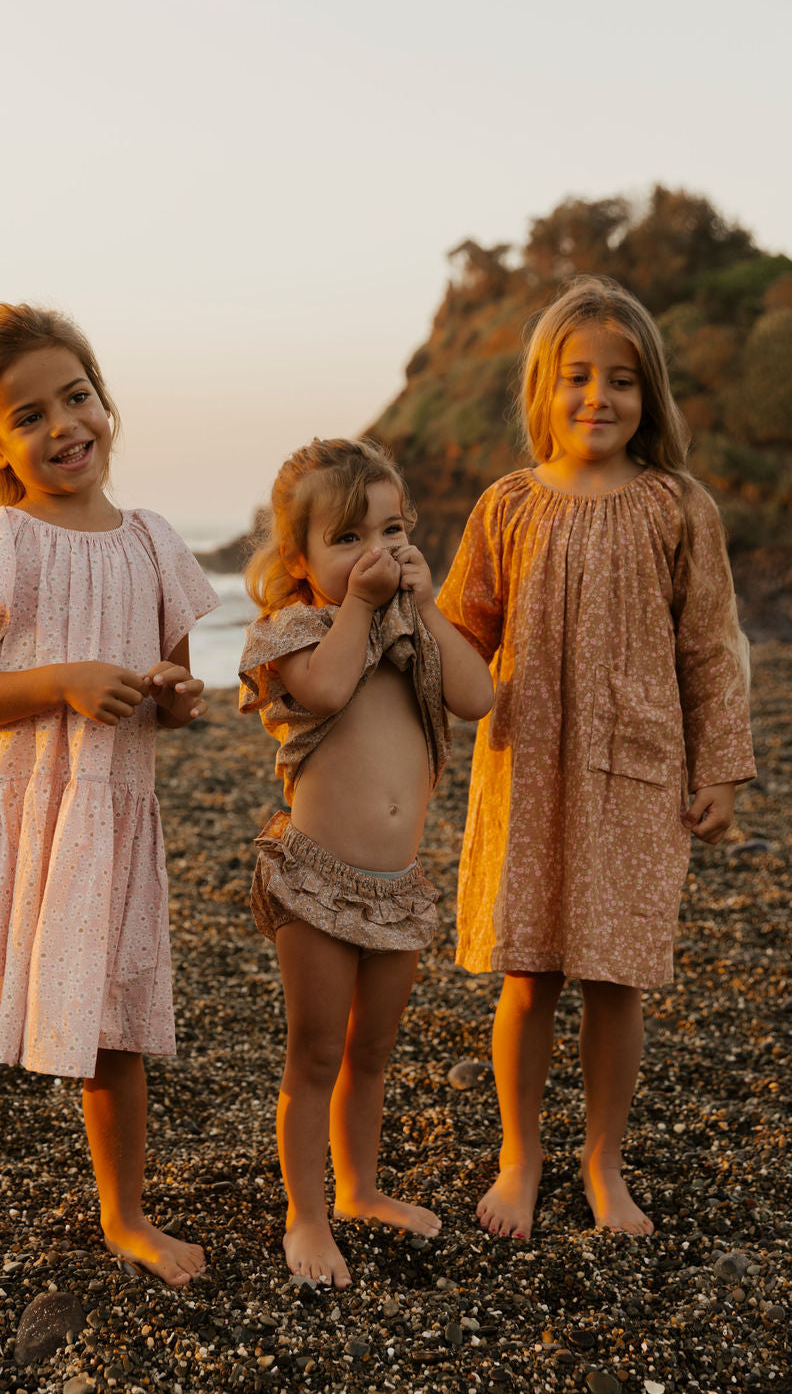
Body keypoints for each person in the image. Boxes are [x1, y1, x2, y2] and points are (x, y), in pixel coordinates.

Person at [0, 302, 219, 1334]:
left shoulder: (152, 542)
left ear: (104, 400)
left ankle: (125, 1215)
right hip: (0, 826)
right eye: (30, 415)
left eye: (77, 396)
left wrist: (175, 697)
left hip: (102, 828)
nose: (64, 424)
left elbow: (168, 692)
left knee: (114, 1038)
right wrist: (61, 679)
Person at [438, 274, 756, 1241]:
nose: (598, 397)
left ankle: (603, 1161)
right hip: (526, 770)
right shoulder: (505, 506)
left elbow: (712, 646)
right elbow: (456, 637)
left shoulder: (678, 506)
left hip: (635, 771)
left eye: (621, 379)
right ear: (544, 388)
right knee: (527, 975)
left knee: (616, 979)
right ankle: (520, 1154)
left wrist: (720, 770)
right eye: (577, 376)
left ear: (649, 393)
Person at [239, 437, 493, 1286]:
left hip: (397, 886)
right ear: (297, 558)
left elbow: (478, 696)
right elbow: (324, 689)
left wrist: (428, 608)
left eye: (390, 530)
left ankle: (359, 1188)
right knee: (316, 1052)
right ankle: (306, 1216)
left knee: (373, 1052)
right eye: (347, 538)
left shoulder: (414, 629)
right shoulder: (294, 632)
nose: (374, 552)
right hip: (316, 876)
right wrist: (360, 604)